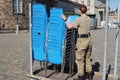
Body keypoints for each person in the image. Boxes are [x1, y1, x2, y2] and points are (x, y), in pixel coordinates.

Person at [61, 5, 92, 80]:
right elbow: (82, 26)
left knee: (80, 60)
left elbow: (69, 26)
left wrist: (65, 19)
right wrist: (77, 26)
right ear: (86, 11)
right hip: (89, 40)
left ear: (80, 11)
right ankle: (90, 76)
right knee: (87, 58)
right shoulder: (88, 18)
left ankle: (80, 78)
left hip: (82, 41)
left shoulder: (79, 19)